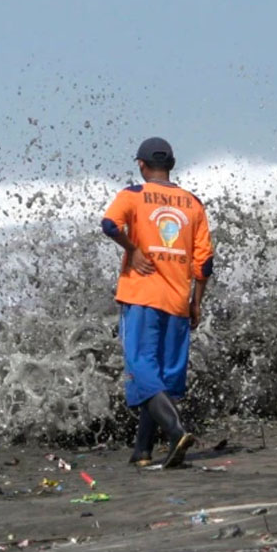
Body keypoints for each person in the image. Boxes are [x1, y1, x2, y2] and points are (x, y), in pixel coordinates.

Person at [101, 137, 214, 467]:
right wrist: (196, 303)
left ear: (141, 165)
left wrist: (132, 249)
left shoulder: (132, 195)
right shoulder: (193, 203)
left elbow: (109, 225)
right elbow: (204, 262)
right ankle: (143, 451)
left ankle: (176, 431)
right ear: (172, 165)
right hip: (178, 301)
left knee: (141, 369)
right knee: (162, 377)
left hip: (142, 297)